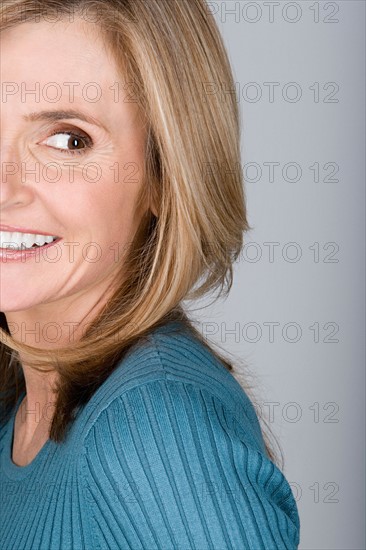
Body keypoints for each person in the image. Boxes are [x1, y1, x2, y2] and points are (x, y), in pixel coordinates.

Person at [0, 1, 300, 548]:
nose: (4, 185)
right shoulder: (20, 395)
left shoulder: (155, 428)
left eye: (68, 139)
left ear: (165, 177)